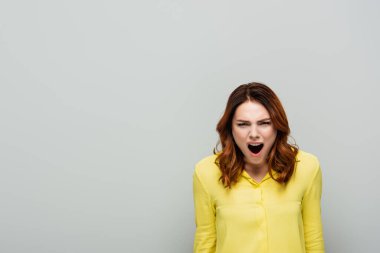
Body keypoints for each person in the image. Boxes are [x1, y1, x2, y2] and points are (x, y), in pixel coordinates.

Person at [192, 82, 325, 253]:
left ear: (277, 126)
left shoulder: (307, 167)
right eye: (243, 124)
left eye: (264, 123)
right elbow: (205, 240)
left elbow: (313, 238)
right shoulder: (206, 172)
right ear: (230, 128)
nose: (254, 134)